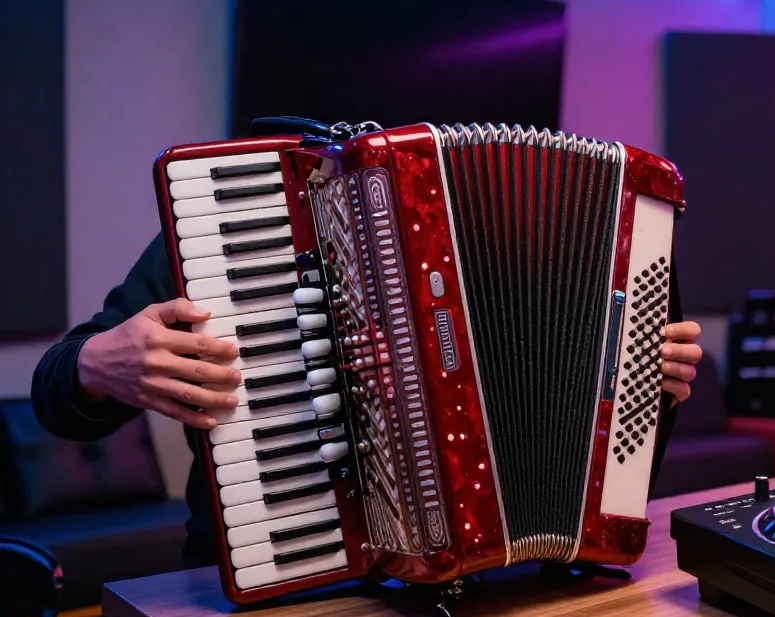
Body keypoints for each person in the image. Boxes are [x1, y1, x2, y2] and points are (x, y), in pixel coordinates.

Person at [30, 231, 703, 569]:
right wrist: (96, 363)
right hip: (290, 573)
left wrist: (642, 384)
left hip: (497, 580)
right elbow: (53, 392)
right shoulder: (224, 228)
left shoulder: (530, 229)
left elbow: (580, 406)